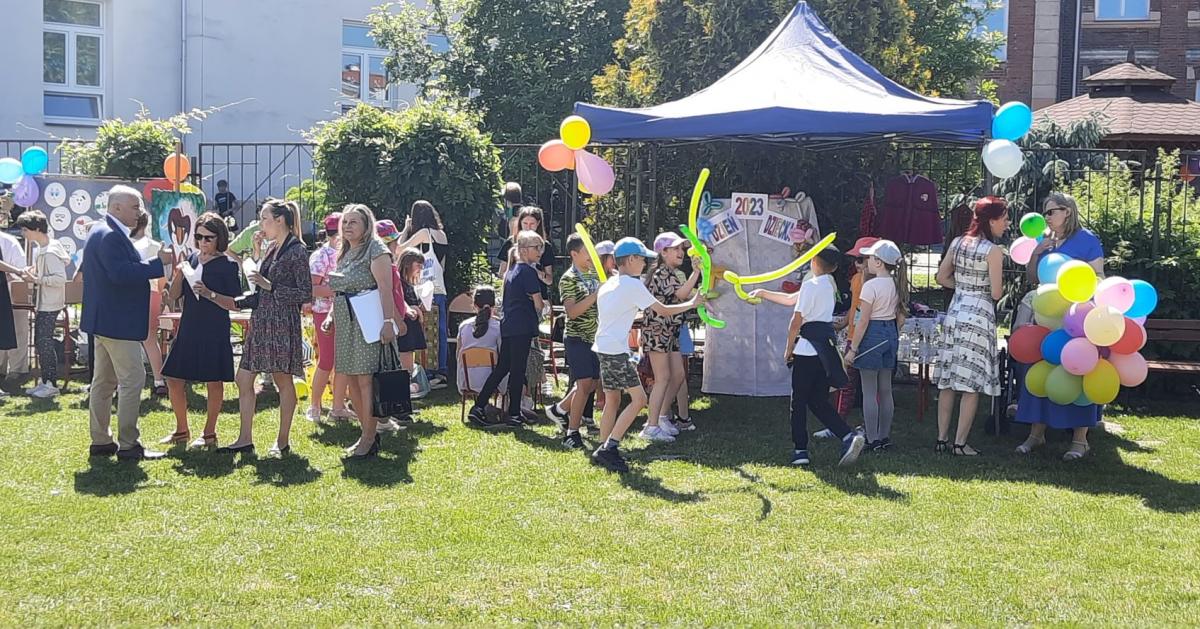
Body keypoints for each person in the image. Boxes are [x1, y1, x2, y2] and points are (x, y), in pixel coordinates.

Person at [205, 199, 312, 457]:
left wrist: (270, 287)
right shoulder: (273, 247)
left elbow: (305, 293)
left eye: (264, 218)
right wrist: (255, 256)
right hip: (262, 320)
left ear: (280, 220)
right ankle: (245, 439)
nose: (260, 224)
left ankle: (282, 441)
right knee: (243, 378)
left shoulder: (297, 250)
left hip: (281, 323)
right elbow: (260, 283)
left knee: (282, 380)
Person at [591, 238, 702, 472]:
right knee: (639, 400)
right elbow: (663, 310)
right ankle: (610, 448)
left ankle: (602, 447)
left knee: (612, 400)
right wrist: (693, 303)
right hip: (616, 352)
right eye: (642, 259)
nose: (645, 264)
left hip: (603, 348)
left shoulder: (610, 283)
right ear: (631, 259)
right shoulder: (632, 285)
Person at [81, 185, 174, 461]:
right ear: (116, 207)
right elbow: (120, 274)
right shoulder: (111, 235)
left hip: (105, 321)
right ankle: (129, 444)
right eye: (135, 207)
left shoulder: (102, 231)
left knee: (103, 382)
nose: (140, 212)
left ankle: (101, 440)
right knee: (132, 379)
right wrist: (158, 264)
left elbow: (117, 271)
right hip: (117, 322)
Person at [753, 246, 866, 467]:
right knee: (817, 400)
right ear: (834, 267)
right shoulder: (828, 285)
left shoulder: (810, 285)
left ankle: (800, 450)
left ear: (813, 261)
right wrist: (763, 293)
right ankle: (847, 435)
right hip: (824, 350)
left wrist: (788, 348)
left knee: (798, 402)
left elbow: (796, 321)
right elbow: (792, 298)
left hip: (806, 350)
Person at [1015, 192, 1105, 460]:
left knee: (1077, 369)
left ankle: (1080, 440)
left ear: (1067, 211)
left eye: (1051, 212)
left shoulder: (1087, 240)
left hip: (1075, 318)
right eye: (1045, 212)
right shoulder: (1045, 240)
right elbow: (1033, 278)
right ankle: (1036, 434)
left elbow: (1099, 277)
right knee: (1039, 367)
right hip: (1046, 316)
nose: (1046, 217)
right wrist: (1036, 253)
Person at [320, 204, 398, 459]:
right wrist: (331, 316)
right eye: (345, 222)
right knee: (352, 378)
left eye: (353, 222)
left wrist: (388, 321)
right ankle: (367, 434)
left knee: (366, 380)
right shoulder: (345, 251)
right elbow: (341, 290)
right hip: (346, 323)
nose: (347, 226)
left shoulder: (376, 249)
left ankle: (369, 437)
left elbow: (385, 288)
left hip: (368, 321)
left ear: (366, 225)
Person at [934, 196, 1009, 456]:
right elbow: (997, 293)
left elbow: (941, 277)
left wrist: (963, 287)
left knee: (948, 379)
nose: (1007, 224)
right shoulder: (993, 251)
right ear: (991, 220)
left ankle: (941, 439)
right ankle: (960, 443)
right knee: (971, 383)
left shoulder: (958, 242)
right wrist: (979, 290)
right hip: (979, 317)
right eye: (1004, 219)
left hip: (955, 313)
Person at [159, 213, 240, 447]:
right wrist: (179, 273)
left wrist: (209, 293)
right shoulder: (192, 259)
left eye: (208, 238)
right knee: (173, 378)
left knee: (213, 381)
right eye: (198, 236)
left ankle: (209, 433)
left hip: (214, 328)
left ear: (219, 238)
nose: (202, 242)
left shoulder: (227, 266)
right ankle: (181, 430)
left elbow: (235, 303)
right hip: (189, 327)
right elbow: (174, 295)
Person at [467, 230, 546, 428]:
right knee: (518, 371)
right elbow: (539, 303)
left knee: (503, 368)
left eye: (541, 247)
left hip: (509, 325)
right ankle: (514, 413)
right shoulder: (528, 271)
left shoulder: (511, 270)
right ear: (524, 250)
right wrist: (541, 305)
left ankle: (479, 406)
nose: (540, 252)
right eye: (536, 247)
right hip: (522, 327)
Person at [844, 239, 906, 451]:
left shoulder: (870, 286)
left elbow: (863, 321)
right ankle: (884, 436)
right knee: (886, 389)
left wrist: (853, 349)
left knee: (869, 391)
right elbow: (900, 317)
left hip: (873, 334)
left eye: (869, 257)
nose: (867, 261)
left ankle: (872, 439)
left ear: (878, 262)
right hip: (890, 333)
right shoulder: (896, 284)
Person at [641, 231, 702, 442]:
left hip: (671, 332)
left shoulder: (671, 273)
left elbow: (682, 294)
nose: (681, 252)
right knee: (663, 378)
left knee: (678, 375)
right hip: (657, 331)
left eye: (681, 248)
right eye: (675, 248)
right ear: (663, 252)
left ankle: (661, 417)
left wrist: (695, 274)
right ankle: (651, 426)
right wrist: (696, 274)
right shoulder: (661, 274)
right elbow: (681, 295)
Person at [545, 234, 602, 449]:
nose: (591, 256)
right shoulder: (568, 279)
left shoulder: (595, 273)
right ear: (574, 254)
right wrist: (595, 295)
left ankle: (559, 410)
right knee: (584, 383)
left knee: (592, 384)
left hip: (594, 337)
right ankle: (572, 432)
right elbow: (572, 311)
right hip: (577, 337)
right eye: (587, 252)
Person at [396, 200, 451, 389]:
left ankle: (426, 372)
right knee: (440, 331)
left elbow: (400, 249)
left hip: (424, 289)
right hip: (439, 287)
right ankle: (441, 371)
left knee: (425, 331)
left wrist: (405, 228)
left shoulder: (424, 233)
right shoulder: (441, 234)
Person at [307, 211, 354, 423]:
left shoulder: (350, 253)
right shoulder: (322, 256)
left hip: (347, 311)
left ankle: (338, 406)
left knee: (343, 361)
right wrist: (339, 289)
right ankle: (315, 405)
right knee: (326, 360)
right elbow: (312, 288)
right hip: (325, 312)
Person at [16, 211, 68, 399]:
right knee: (41, 342)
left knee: (44, 343)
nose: (23, 234)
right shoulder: (44, 248)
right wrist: (33, 271)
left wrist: (36, 279)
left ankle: (51, 384)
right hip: (45, 302)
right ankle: (46, 381)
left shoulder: (50, 251)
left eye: (25, 230)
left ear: (37, 229)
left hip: (50, 304)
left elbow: (60, 278)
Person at [131, 211, 168, 396]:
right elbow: (162, 277)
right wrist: (160, 294)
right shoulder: (156, 246)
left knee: (127, 340)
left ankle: (125, 381)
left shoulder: (126, 245)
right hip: (153, 293)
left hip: (132, 294)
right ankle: (159, 380)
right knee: (151, 339)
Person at [456, 286, 503, 399]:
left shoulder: (463, 327)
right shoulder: (498, 327)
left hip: (468, 381)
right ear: (494, 305)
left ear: (474, 305)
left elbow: (458, 355)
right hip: (493, 382)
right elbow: (503, 355)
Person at [499, 207, 556, 289]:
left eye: (532, 224)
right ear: (520, 223)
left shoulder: (546, 246)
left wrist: (535, 270)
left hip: (538, 291)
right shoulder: (510, 243)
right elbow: (501, 273)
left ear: (538, 223)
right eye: (525, 223)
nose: (528, 227)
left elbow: (549, 280)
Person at [0, 223, 28, 386]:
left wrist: (15, 273)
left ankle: (17, 369)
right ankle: (2, 368)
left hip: (11, 291)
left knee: (18, 330)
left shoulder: (9, 241)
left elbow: (20, 268)